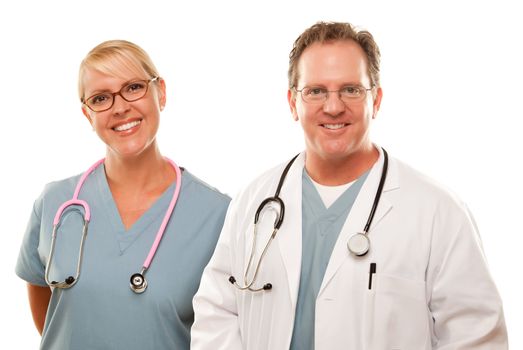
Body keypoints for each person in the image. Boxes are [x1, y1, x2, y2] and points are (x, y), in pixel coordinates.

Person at [191, 21, 508, 349]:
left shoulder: (438, 212)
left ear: (377, 100)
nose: (333, 106)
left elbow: (476, 337)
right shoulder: (254, 203)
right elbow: (216, 312)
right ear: (292, 103)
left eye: (351, 89)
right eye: (315, 91)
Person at [15, 40, 230, 349]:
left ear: (162, 93)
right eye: (101, 98)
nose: (119, 107)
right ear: (88, 115)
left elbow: (224, 329)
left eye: (133, 88)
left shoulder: (217, 214)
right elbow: (49, 312)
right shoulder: (55, 203)